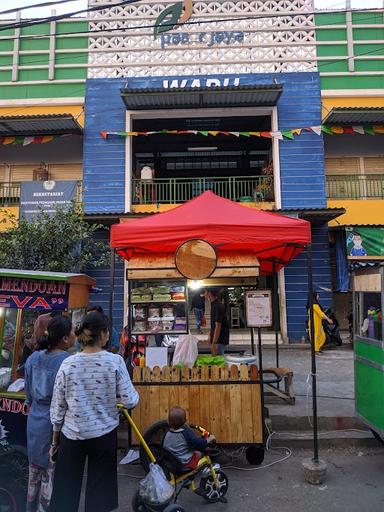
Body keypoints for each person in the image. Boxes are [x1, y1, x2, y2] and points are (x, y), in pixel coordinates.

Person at [49, 311, 139, 512]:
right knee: (100, 496)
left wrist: (55, 442)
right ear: (103, 334)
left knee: (65, 492)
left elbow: (58, 407)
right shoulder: (114, 362)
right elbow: (130, 400)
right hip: (104, 436)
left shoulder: (68, 363)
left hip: (71, 436)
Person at [24, 316, 76, 512]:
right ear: (64, 338)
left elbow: (28, 395)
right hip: (56, 426)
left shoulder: (33, 358)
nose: (74, 335)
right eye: (72, 331)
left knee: (34, 475)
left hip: (35, 423)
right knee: (51, 478)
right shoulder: (67, 362)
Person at [162, 406, 215, 471]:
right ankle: (193, 473)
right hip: (183, 462)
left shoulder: (167, 433)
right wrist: (208, 440)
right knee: (199, 453)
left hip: (170, 462)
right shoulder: (185, 434)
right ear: (185, 421)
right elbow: (196, 443)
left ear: (168, 422)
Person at [206, 288, 230, 355]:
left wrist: (214, 342)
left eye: (205, 292)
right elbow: (214, 324)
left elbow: (218, 326)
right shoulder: (213, 304)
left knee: (219, 359)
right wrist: (210, 335)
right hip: (216, 338)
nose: (204, 294)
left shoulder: (218, 306)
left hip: (220, 338)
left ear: (209, 293)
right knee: (216, 359)